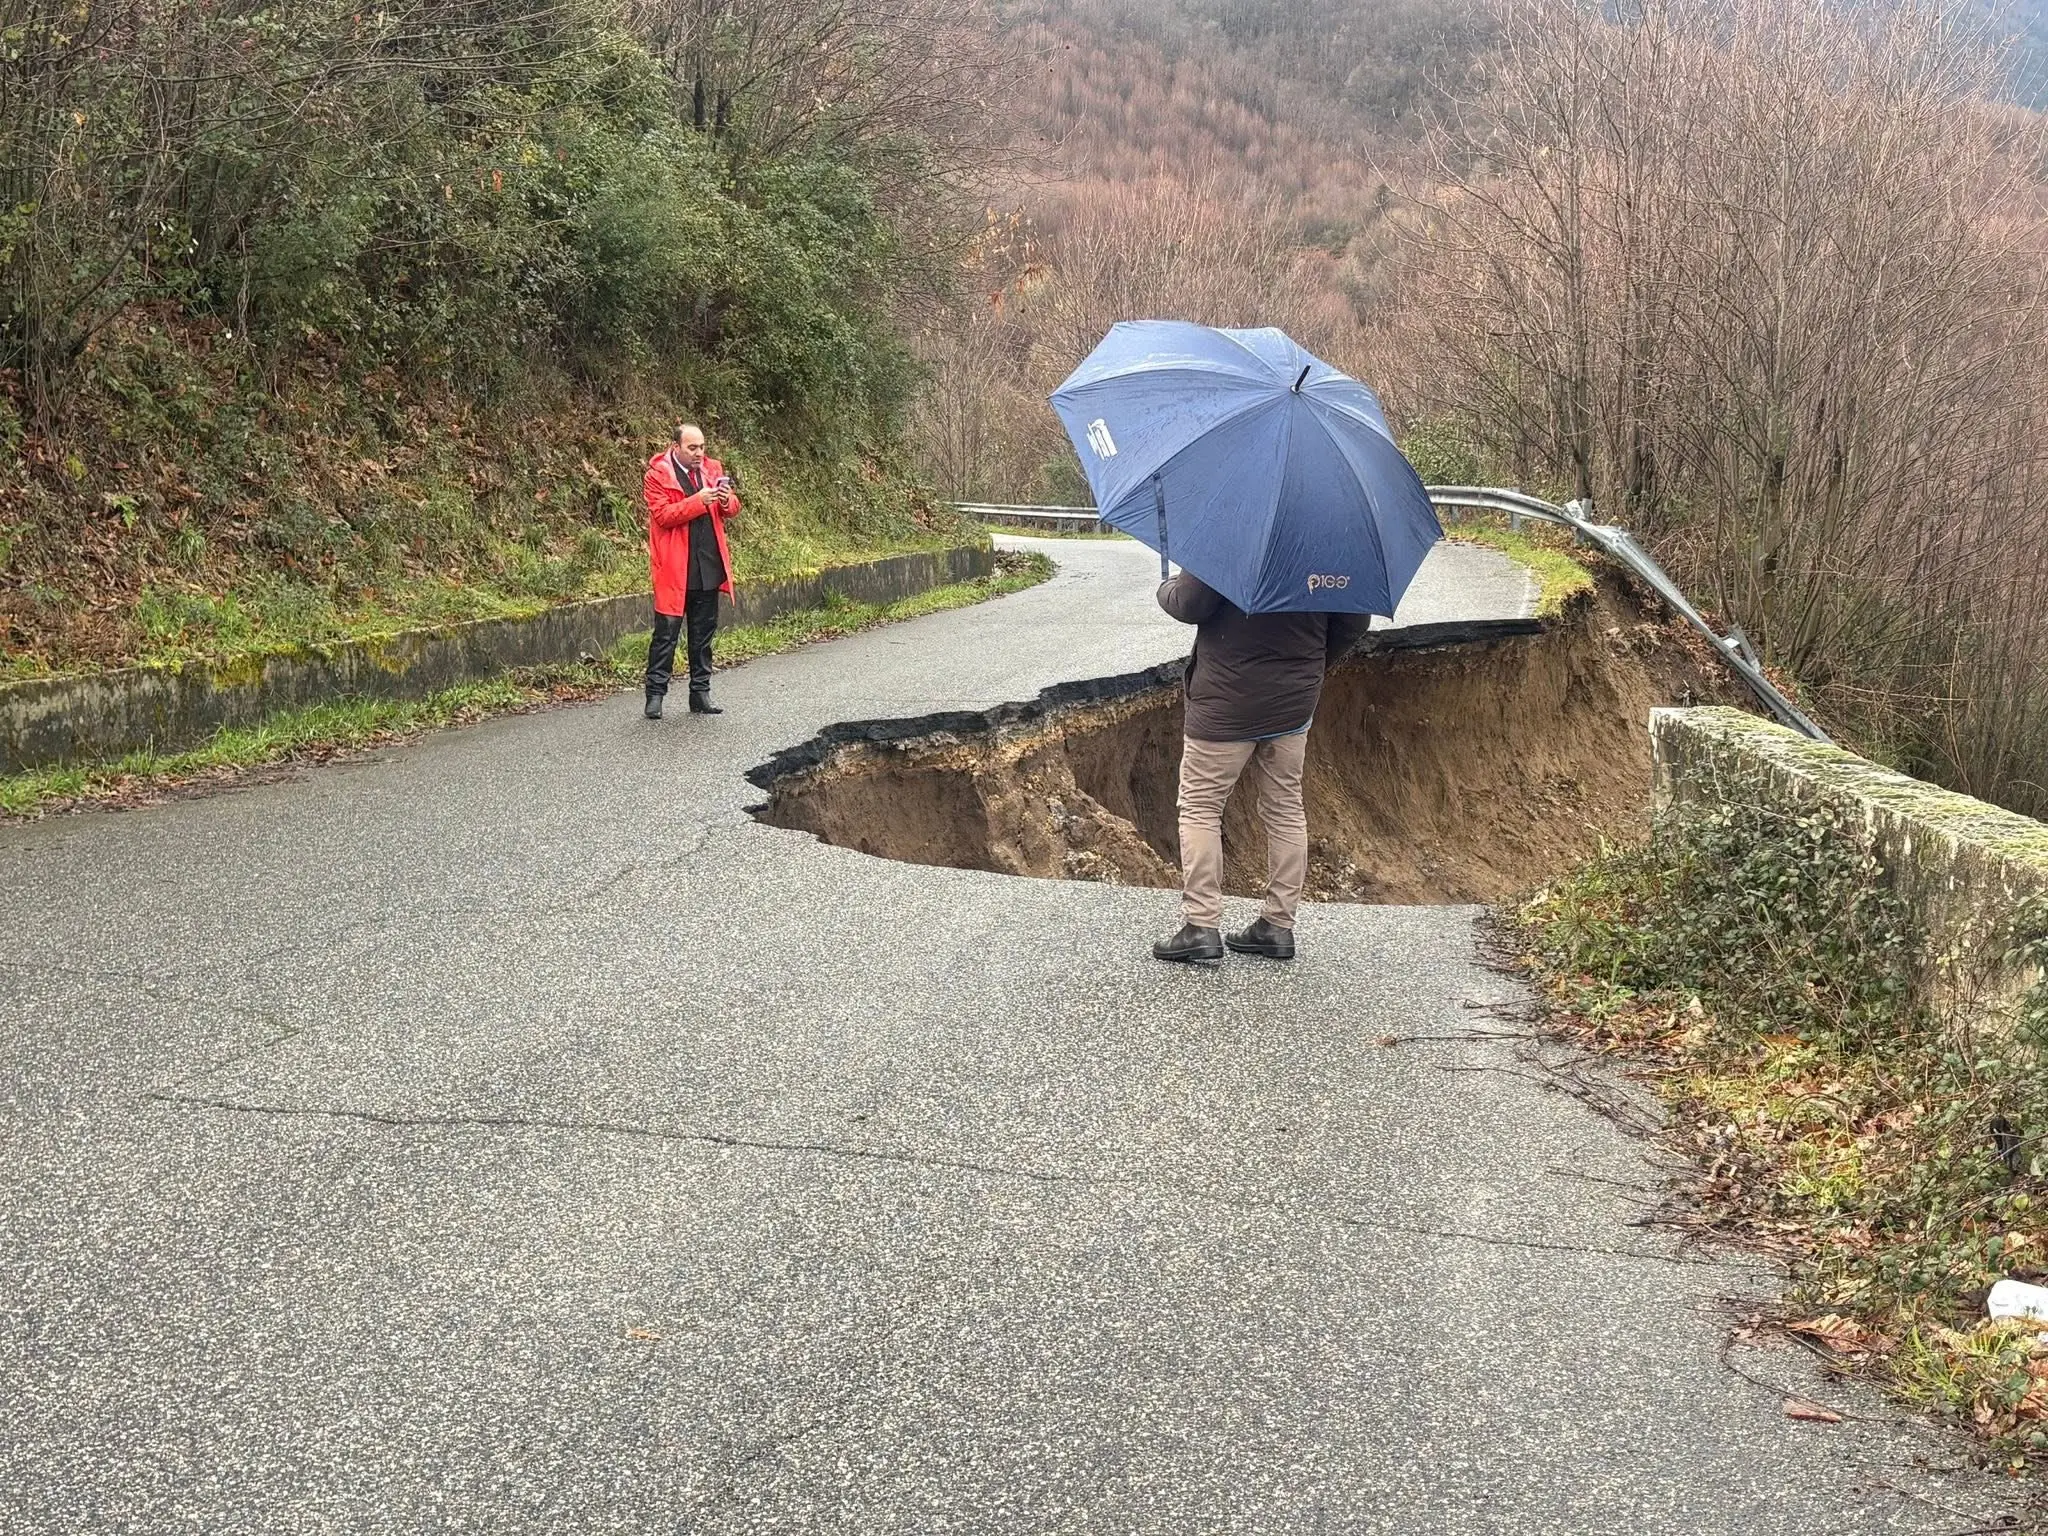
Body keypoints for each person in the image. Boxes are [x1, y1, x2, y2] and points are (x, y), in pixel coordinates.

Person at [1151, 570, 1371, 963]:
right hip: (1294, 701)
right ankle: (1277, 925)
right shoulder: (1334, 550)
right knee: (1285, 808)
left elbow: (1191, 603)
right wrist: (1310, 668)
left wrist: (1165, 588)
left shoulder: (1229, 538)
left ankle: (1201, 925)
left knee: (1201, 807)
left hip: (1225, 702)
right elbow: (1354, 622)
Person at [643, 422, 739, 719]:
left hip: (707, 563)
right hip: (675, 568)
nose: (699, 453)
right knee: (666, 636)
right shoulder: (658, 474)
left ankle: (700, 693)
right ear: (676, 447)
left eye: (702, 447)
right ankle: (655, 696)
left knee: (703, 636)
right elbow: (663, 515)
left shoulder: (712, 469)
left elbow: (733, 507)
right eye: (692, 448)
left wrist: (726, 500)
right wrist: (698, 502)